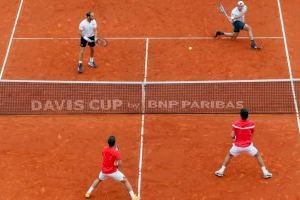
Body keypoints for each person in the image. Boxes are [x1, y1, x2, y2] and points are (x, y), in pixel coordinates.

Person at [214, 108, 272, 179]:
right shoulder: (251, 124)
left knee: (229, 155)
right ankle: (265, 172)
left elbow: (232, 136)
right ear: (247, 116)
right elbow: (251, 133)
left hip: (237, 146)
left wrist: (235, 137)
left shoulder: (235, 124)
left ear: (240, 115)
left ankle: (221, 171)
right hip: (248, 146)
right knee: (257, 155)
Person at [85, 135, 139, 200]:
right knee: (125, 181)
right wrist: (116, 162)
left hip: (104, 171)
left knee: (98, 179)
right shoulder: (116, 153)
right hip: (113, 171)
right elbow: (120, 163)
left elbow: (105, 155)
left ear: (108, 143)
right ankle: (133, 197)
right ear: (115, 143)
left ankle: (88, 193)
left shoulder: (104, 149)